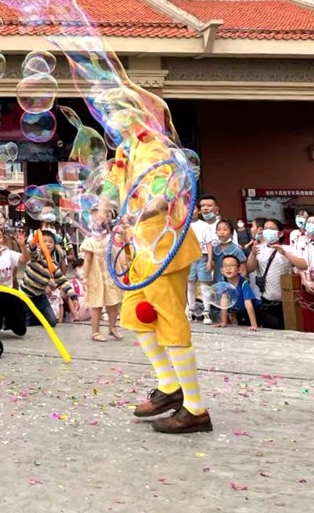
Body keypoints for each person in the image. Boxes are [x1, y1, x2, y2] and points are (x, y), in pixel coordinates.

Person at [104, 122, 211, 434]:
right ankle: (169, 385)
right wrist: (102, 208)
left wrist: (135, 216)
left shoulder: (153, 146)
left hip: (164, 248)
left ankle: (195, 409)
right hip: (141, 250)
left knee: (170, 322)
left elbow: (166, 195)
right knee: (134, 316)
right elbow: (114, 187)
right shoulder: (125, 149)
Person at [80, 211, 123, 342]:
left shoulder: (111, 238)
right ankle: (95, 331)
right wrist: (85, 276)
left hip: (110, 274)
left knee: (113, 301)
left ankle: (112, 327)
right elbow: (87, 260)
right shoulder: (90, 242)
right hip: (96, 275)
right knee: (97, 304)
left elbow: (119, 251)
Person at [19, 230, 75, 328]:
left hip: (40, 297)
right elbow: (32, 251)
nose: (48, 244)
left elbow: (62, 280)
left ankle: (35, 314)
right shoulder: (37, 256)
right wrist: (31, 244)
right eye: (44, 241)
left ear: (55, 245)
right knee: (27, 324)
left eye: (51, 242)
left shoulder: (53, 264)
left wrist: (72, 295)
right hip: (25, 296)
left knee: (52, 321)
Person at [245, 220, 292, 330]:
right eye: (266, 228)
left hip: (286, 301)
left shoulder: (288, 249)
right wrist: (253, 253)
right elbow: (250, 269)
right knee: (273, 327)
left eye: (272, 229)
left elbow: (303, 265)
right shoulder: (259, 249)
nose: (268, 231)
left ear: (280, 233)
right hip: (267, 299)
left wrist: (284, 253)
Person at [0, 225, 29, 336]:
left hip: (8, 292)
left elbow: (25, 259)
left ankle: (8, 321)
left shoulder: (8, 252)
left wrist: (22, 246)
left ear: (3, 239)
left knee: (21, 330)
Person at [214, 255, 259, 331]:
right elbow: (224, 301)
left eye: (232, 265)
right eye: (225, 266)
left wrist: (254, 325)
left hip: (253, 310)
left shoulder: (243, 283)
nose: (228, 268)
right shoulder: (224, 282)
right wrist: (224, 322)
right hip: (239, 312)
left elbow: (248, 303)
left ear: (239, 269)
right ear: (221, 270)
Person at [186, 205, 215, 324]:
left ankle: (206, 312)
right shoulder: (184, 226)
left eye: (193, 208)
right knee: (190, 285)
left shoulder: (205, 226)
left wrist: (209, 260)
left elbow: (209, 244)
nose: (191, 211)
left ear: (198, 211)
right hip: (188, 258)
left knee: (204, 286)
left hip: (202, 256)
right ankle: (190, 311)